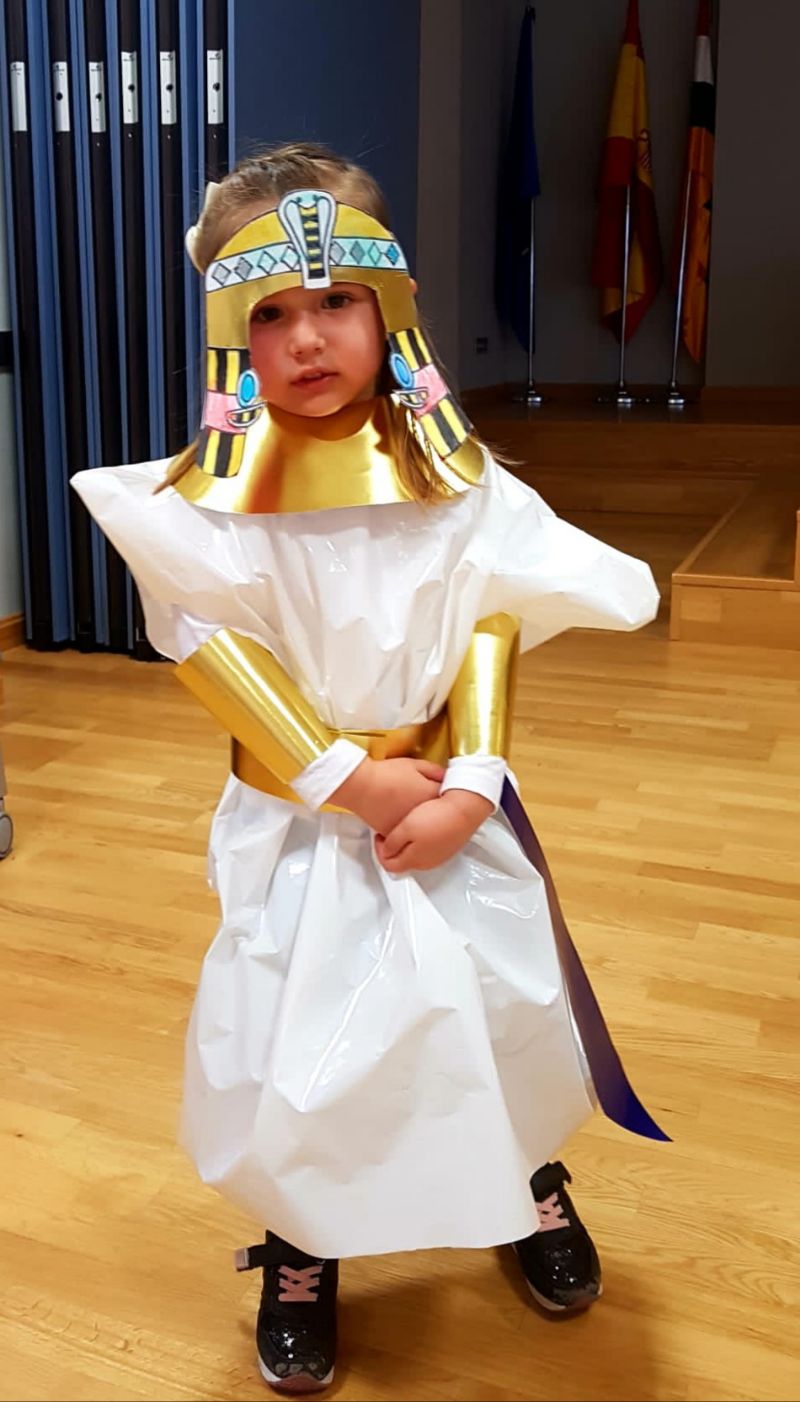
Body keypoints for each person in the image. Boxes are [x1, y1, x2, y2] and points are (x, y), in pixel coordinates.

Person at [73, 142, 662, 1395]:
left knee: (494, 1002)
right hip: (304, 824)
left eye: (335, 300)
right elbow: (208, 646)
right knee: (302, 1033)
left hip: (451, 805)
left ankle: (523, 1179)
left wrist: (472, 781)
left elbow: (494, 615)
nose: (306, 338)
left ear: (389, 304)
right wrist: (348, 779)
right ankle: (304, 1236)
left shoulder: (459, 485)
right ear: (231, 332)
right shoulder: (203, 509)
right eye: (268, 313)